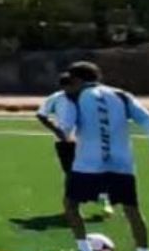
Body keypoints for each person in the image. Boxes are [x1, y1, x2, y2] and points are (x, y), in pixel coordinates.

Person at [54, 62, 149, 251]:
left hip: (87, 164)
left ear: (77, 80)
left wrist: (56, 128)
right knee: (132, 211)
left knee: (71, 205)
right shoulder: (121, 95)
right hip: (121, 164)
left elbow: (66, 130)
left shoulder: (73, 98)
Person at [37, 73, 111, 215]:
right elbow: (41, 115)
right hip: (65, 142)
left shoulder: (90, 98)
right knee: (71, 174)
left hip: (88, 141)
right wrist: (56, 130)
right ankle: (72, 207)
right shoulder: (57, 98)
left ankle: (103, 199)